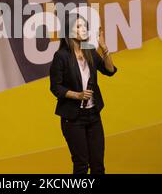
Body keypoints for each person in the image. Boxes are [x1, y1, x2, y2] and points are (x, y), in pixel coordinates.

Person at [49, 12, 118, 174]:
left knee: (98, 165)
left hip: (93, 115)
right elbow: (55, 88)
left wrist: (104, 48)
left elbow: (110, 71)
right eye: (78, 26)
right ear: (68, 31)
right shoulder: (61, 56)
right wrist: (77, 95)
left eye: (84, 26)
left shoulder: (90, 51)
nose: (83, 29)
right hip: (73, 118)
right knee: (81, 165)